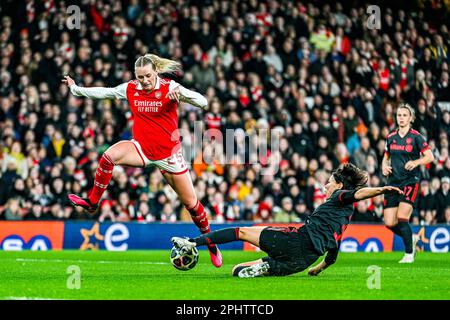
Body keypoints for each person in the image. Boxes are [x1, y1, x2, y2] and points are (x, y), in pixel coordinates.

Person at [62, 54, 222, 267]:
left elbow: (203, 102)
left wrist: (184, 95)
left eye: (147, 76)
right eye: (140, 77)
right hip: (141, 149)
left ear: (155, 71)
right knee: (109, 156)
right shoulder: (131, 88)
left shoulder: (169, 87)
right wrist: (76, 88)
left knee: (192, 205)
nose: (144, 81)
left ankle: (211, 244)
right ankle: (93, 202)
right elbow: (106, 92)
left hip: (169, 156)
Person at [172, 163, 403, 278]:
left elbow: (359, 193)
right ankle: (266, 266)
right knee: (236, 271)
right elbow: (333, 252)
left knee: (241, 231)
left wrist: (382, 189)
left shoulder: (339, 198)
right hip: (302, 262)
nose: (325, 186)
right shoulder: (343, 219)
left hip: (297, 241)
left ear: (340, 186)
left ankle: (191, 242)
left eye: (329, 182)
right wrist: (317, 268)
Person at [381, 103, 434, 263]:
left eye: (404, 115)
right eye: (399, 115)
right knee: (389, 222)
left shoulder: (416, 137)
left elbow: (430, 156)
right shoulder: (390, 138)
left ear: (411, 118)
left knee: (402, 217)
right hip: (393, 182)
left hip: (410, 181)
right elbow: (386, 156)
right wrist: (384, 166)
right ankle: (412, 237)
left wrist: (416, 162)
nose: (401, 118)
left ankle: (409, 254)